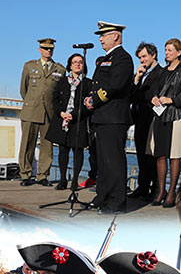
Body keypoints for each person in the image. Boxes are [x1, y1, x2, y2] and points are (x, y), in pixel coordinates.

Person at [84, 21, 134, 214]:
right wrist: (90, 98)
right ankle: (102, 195)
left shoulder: (122, 58)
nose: (100, 38)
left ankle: (116, 201)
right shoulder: (105, 58)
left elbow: (115, 85)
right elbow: (98, 84)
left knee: (113, 161)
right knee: (103, 162)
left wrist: (94, 100)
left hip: (114, 116)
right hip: (102, 116)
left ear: (115, 36)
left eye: (103, 35)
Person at [147, 37, 181, 208]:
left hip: (176, 116)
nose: (166, 53)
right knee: (160, 154)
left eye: (169, 50)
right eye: (165, 50)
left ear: (178, 53)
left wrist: (172, 100)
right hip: (160, 116)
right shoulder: (161, 71)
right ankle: (160, 190)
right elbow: (153, 89)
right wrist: (153, 97)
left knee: (174, 156)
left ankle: (171, 191)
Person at [18, 38, 66, 187]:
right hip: (31, 111)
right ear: (40, 49)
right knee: (27, 144)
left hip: (49, 113)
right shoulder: (29, 66)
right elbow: (23, 89)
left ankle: (42, 175)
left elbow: (60, 93)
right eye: (45, 48)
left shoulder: (60, 70)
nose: (48, 51)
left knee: (47, 146)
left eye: (51, 49)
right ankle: (25, 175)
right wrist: (32, 103)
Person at [45, 53, 92, 189]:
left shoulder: (88, 83)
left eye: (80, 62)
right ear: (70, 65)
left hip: (78, 121)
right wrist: (61, 113)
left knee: (78, 151)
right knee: (63, 150)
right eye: (74, 62)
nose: (77, 64)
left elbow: (88, 104)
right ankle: (62, 179)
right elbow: (54, 99)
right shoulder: (62, 81)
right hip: (62, 120)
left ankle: (75, 180)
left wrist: (74, 115)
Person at [129, 41, 163, 201]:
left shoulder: (161, 73)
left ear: (153, 55)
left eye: (144, 56)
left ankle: (155, 189)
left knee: (153, 155)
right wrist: (136, 79)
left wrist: (147, 96)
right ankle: (142, 187)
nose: (142, 60)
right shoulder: (142, 74)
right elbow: (133, 94)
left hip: (152, 118)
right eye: (140, 57)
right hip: (139, 118)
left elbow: (154, 93)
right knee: (141, 154)